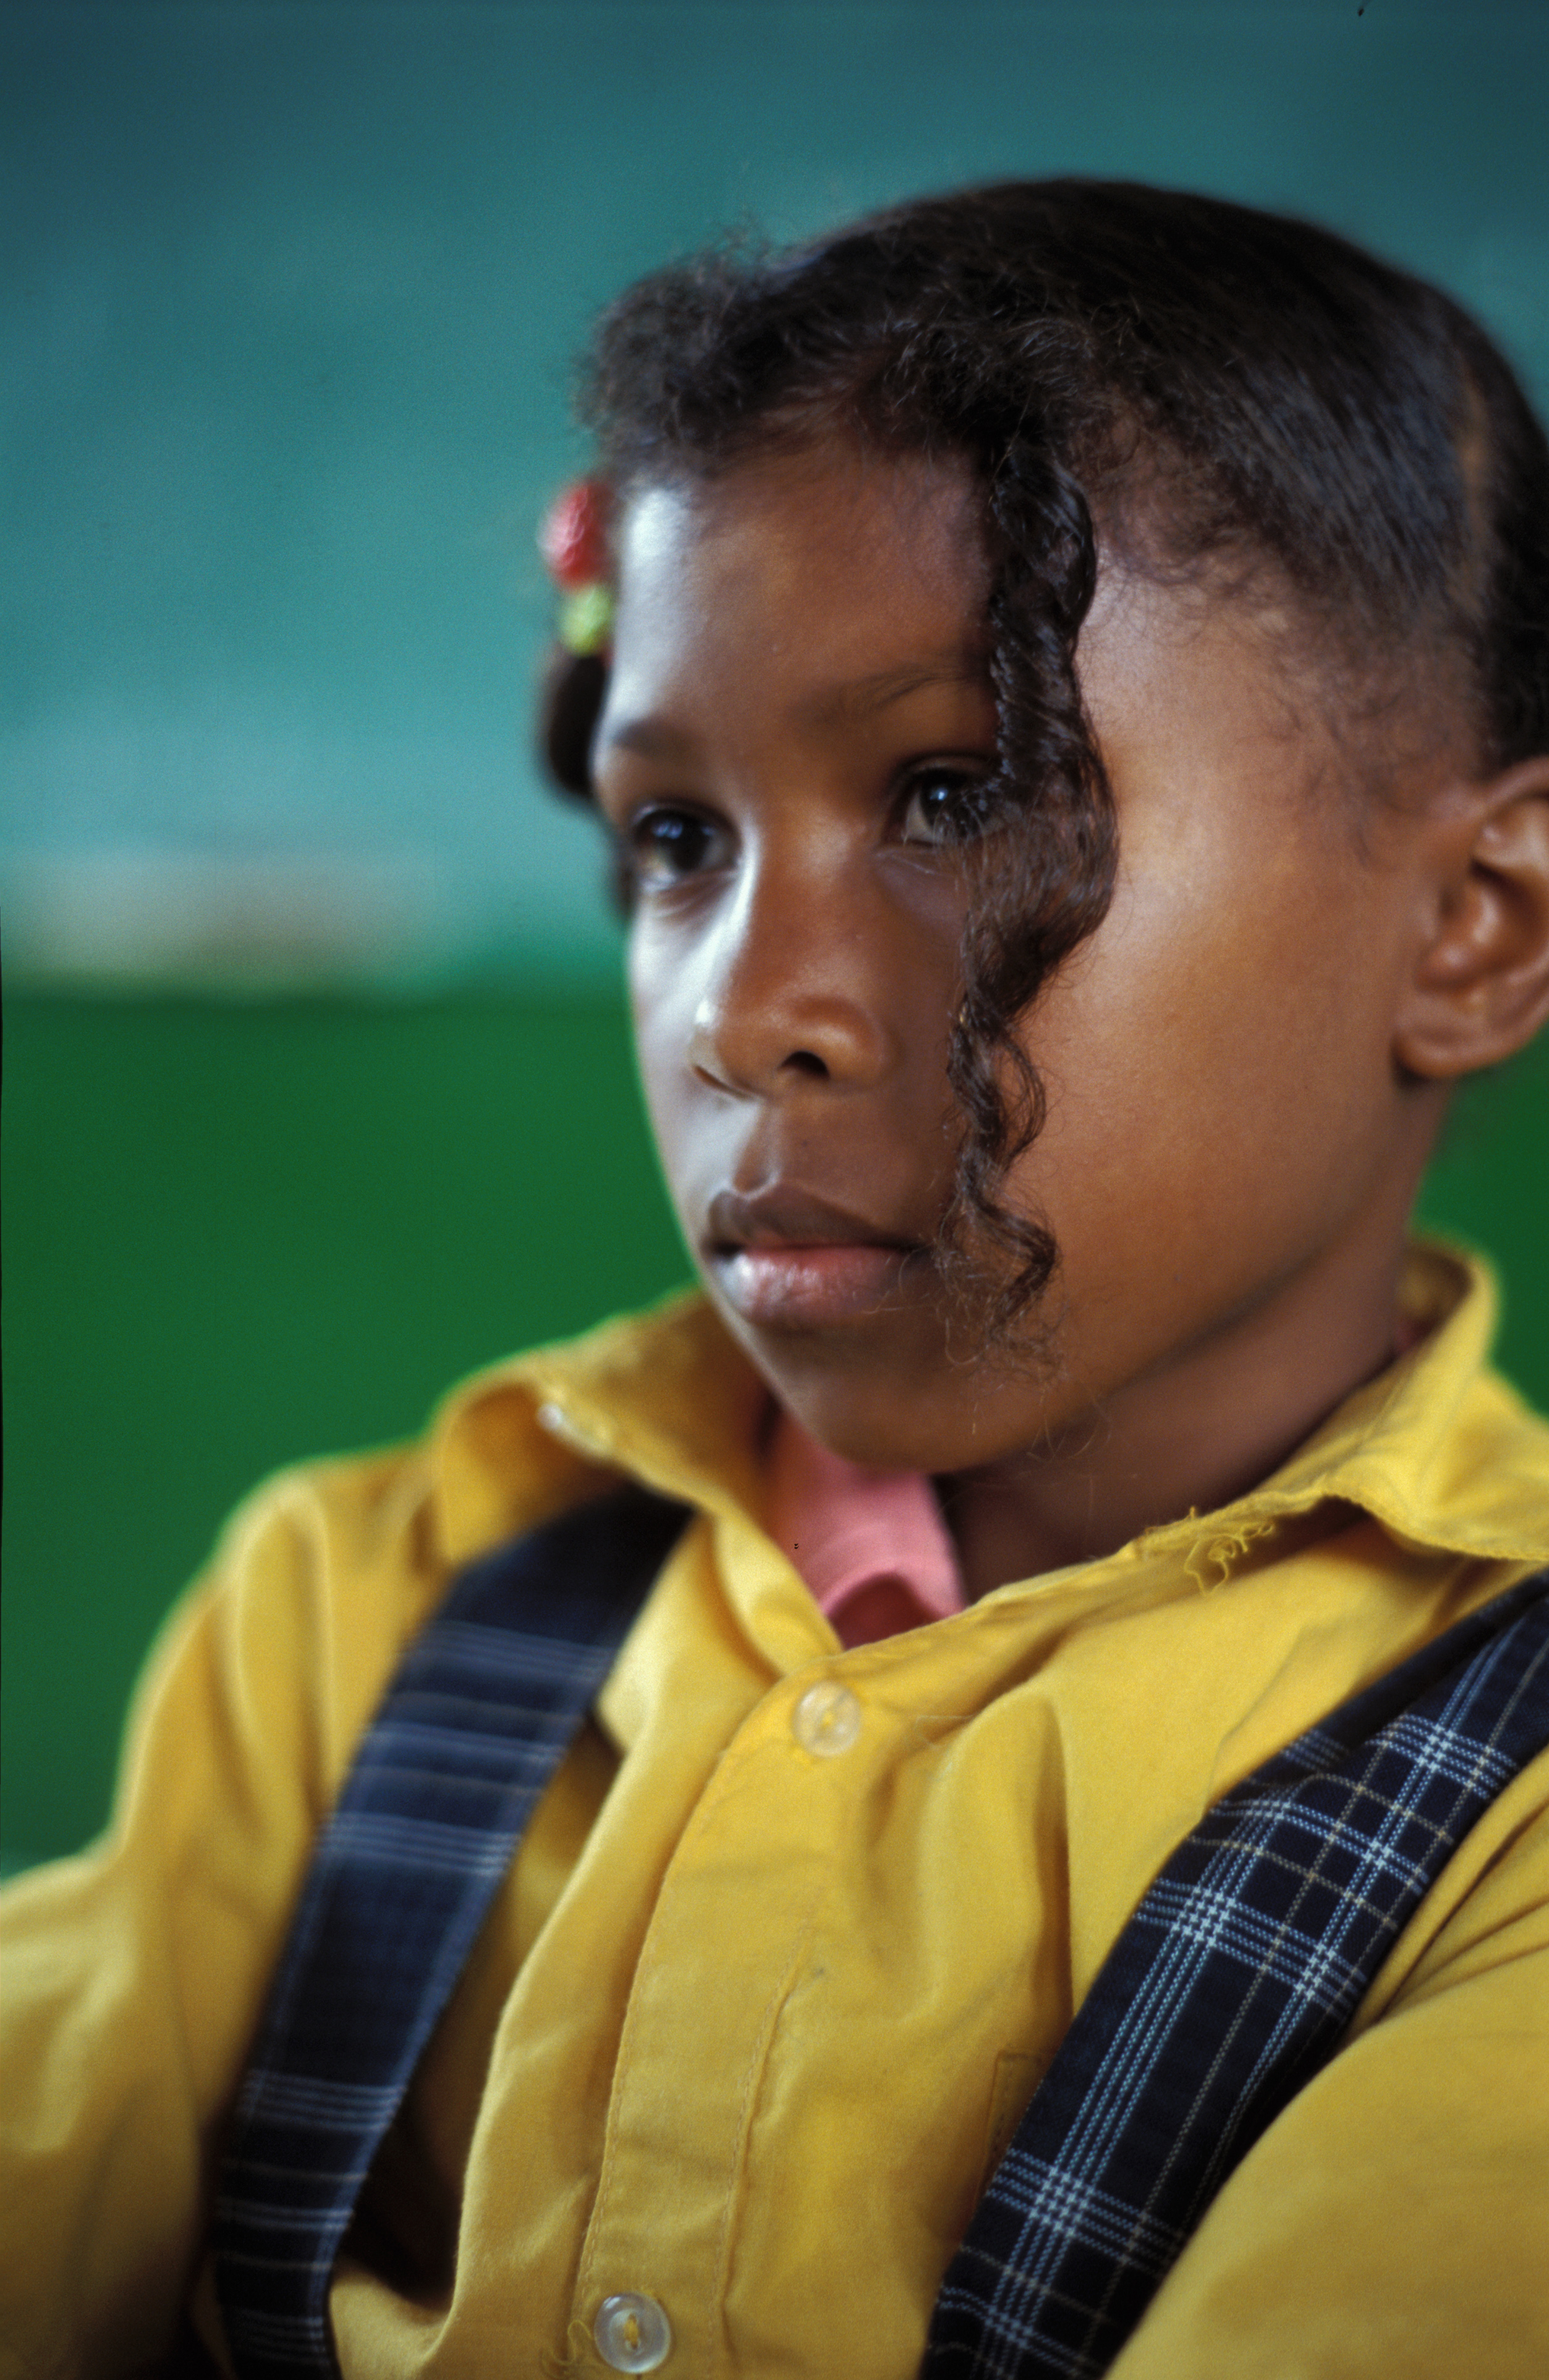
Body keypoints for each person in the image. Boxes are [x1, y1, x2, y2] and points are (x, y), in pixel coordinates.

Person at [3, 179, 1548, 2380]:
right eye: (675, 840)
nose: (743, 1009)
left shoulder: (1510, 1831)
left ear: (1472, 922)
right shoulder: (364, 1608)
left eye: (954, 789)